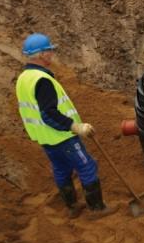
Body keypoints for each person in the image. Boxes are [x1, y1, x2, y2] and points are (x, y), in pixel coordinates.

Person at [15, 33, 117, 219]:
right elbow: (49, 113)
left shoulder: (24, 77)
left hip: (45, 138)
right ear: (41, 55)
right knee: (87, 166)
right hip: (62, 137)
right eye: (49, 51)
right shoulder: (42, 80)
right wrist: (75, 127)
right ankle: (97, 209)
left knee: (61, 169)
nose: (52, 54)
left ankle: (72, 207)